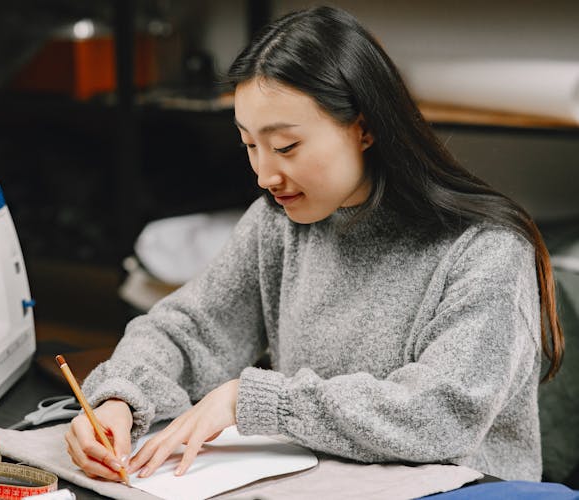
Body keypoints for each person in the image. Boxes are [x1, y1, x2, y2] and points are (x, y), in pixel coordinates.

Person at [65, 5, 564, 483]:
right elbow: (190, 329)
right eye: (249, 145)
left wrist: (251, 400)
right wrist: (119, 398)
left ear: (364, 128)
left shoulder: (488, 250)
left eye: (285, 147)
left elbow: (441, 413)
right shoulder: (280, 225)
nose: (264, 174)